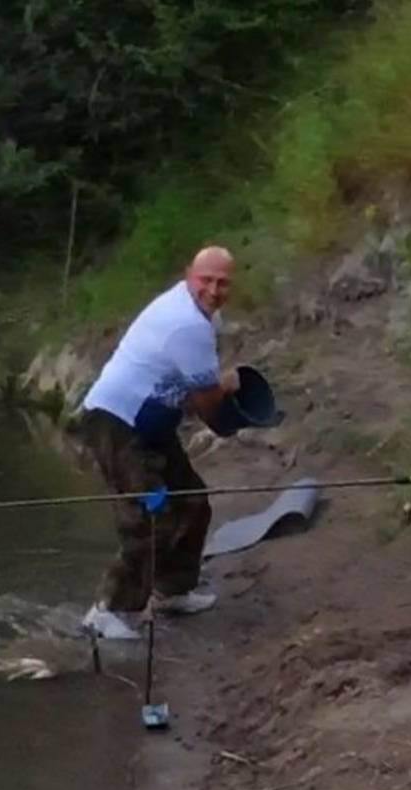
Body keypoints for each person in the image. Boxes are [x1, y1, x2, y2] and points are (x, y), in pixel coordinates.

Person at [75, 246, 239, 640]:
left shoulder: (204, 316)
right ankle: (104, 611)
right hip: (116, 422)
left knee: (193, 500)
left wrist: (219, 387)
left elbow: (195, 387)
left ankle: (172, 590)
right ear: (189, 275)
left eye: (223, 283)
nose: (213, 290)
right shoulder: (187, 324)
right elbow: (209, 407)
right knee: (152, 514)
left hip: (153, 421)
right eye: (206, 280)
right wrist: (230, 389)